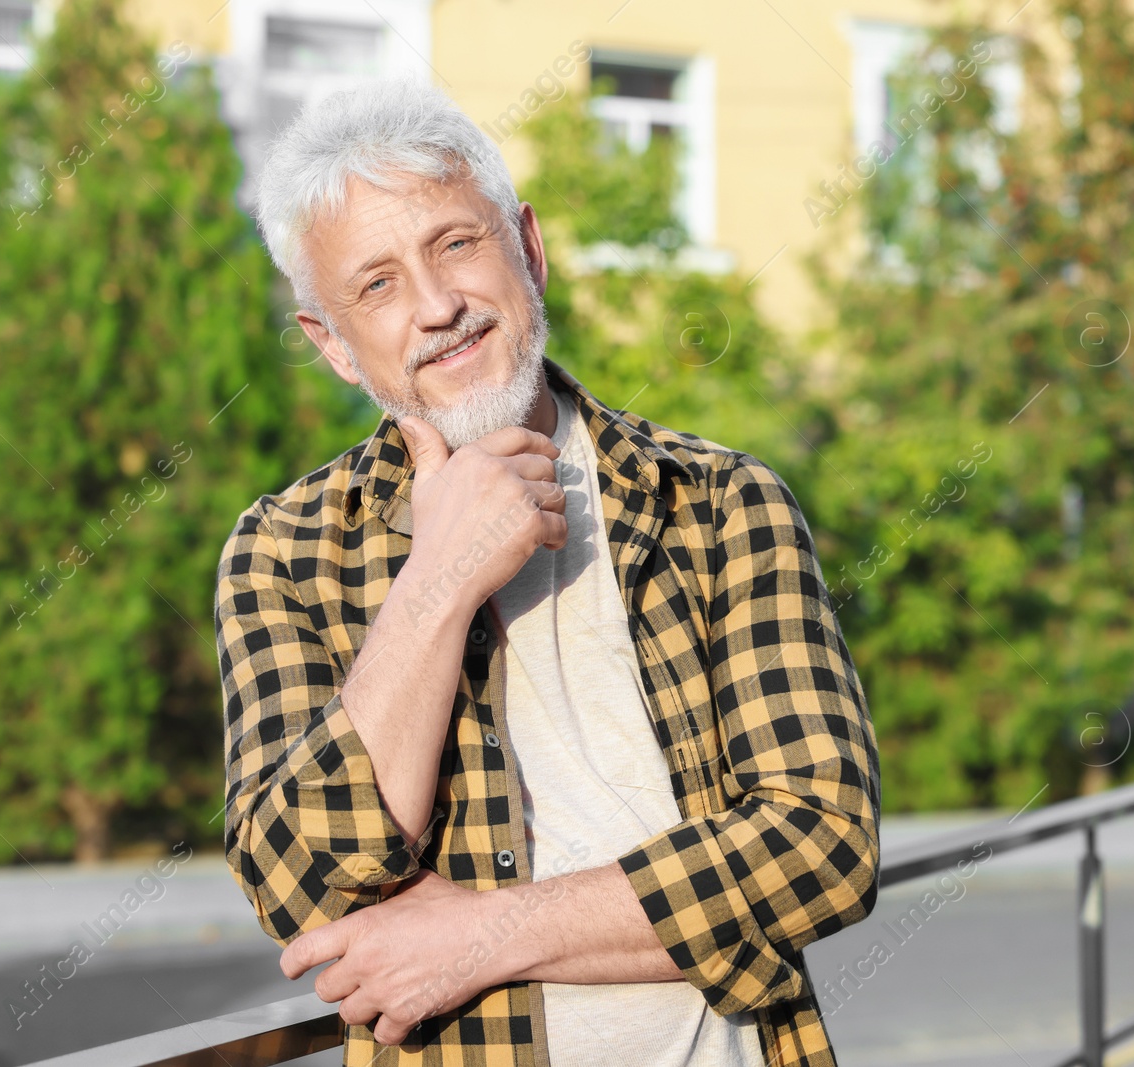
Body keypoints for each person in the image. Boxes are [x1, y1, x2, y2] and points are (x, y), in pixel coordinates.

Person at [216, 77, 880, 1067]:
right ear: (335, 347)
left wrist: (476, 935)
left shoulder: (716, 500)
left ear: (526, 248)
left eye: (455, 243)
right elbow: (306, 883)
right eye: (377, 284)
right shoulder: (286, 548)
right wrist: (438, 576)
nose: (438, 306)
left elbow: (822, 842)